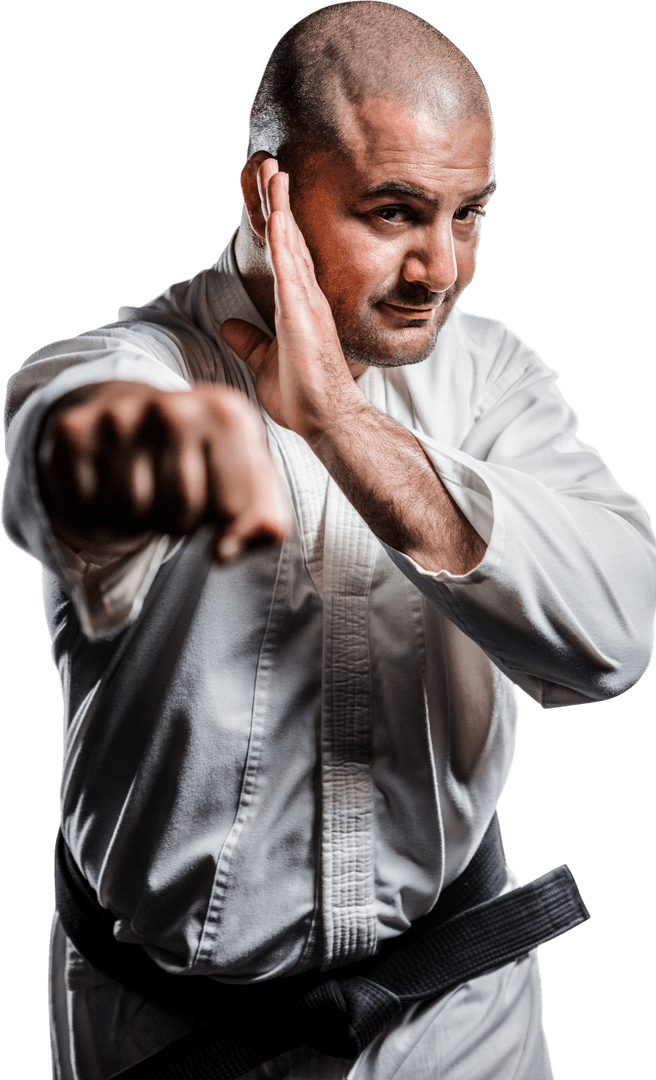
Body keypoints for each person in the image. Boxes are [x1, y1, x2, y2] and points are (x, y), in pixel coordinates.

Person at [3, 2, 655, 1078]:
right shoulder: (124, 370)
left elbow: (617, 633)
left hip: (458, 1020)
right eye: (394, 212)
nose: (438, 268)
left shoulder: (490, 380)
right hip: (172, 1035)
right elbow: (65, 469)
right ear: (270, 196)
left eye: (468, 214)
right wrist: (194, 459)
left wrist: (338, 425)